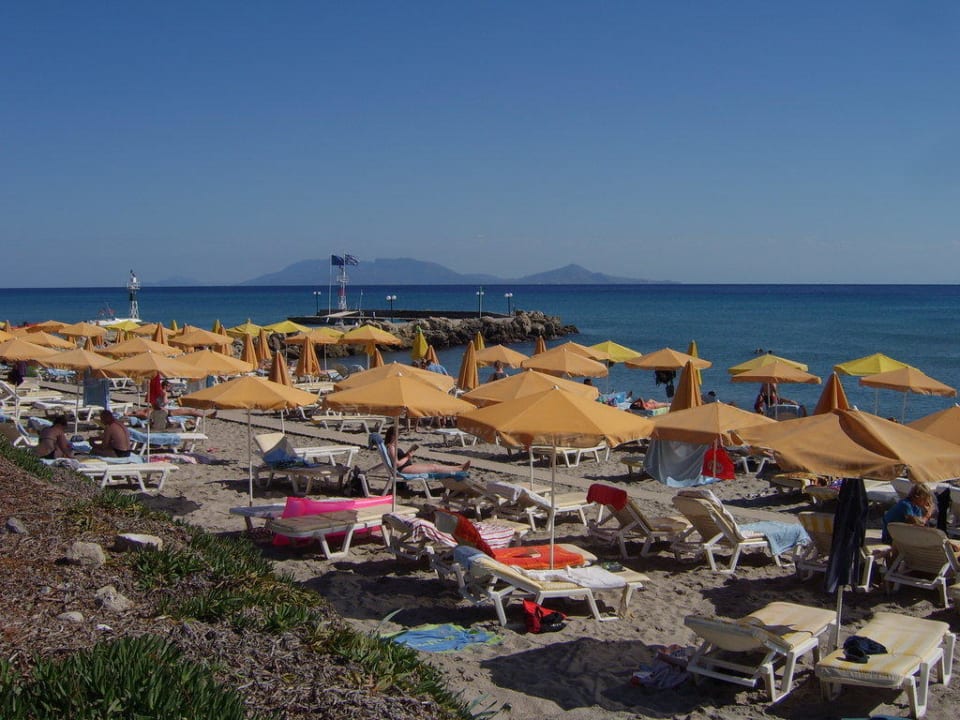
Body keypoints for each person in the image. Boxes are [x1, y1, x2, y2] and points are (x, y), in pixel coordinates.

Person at [383, 426, 469, 473]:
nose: (398, 437)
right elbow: (397, 464)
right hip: (403, 469)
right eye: (397, 435)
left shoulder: (391, 446)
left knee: (433, 466)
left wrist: (407, 454)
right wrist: (407, 457)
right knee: (433, 468)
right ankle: (459, 469)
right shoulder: (391, 447)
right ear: (392, 436)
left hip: (405, 466)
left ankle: (458, 467)